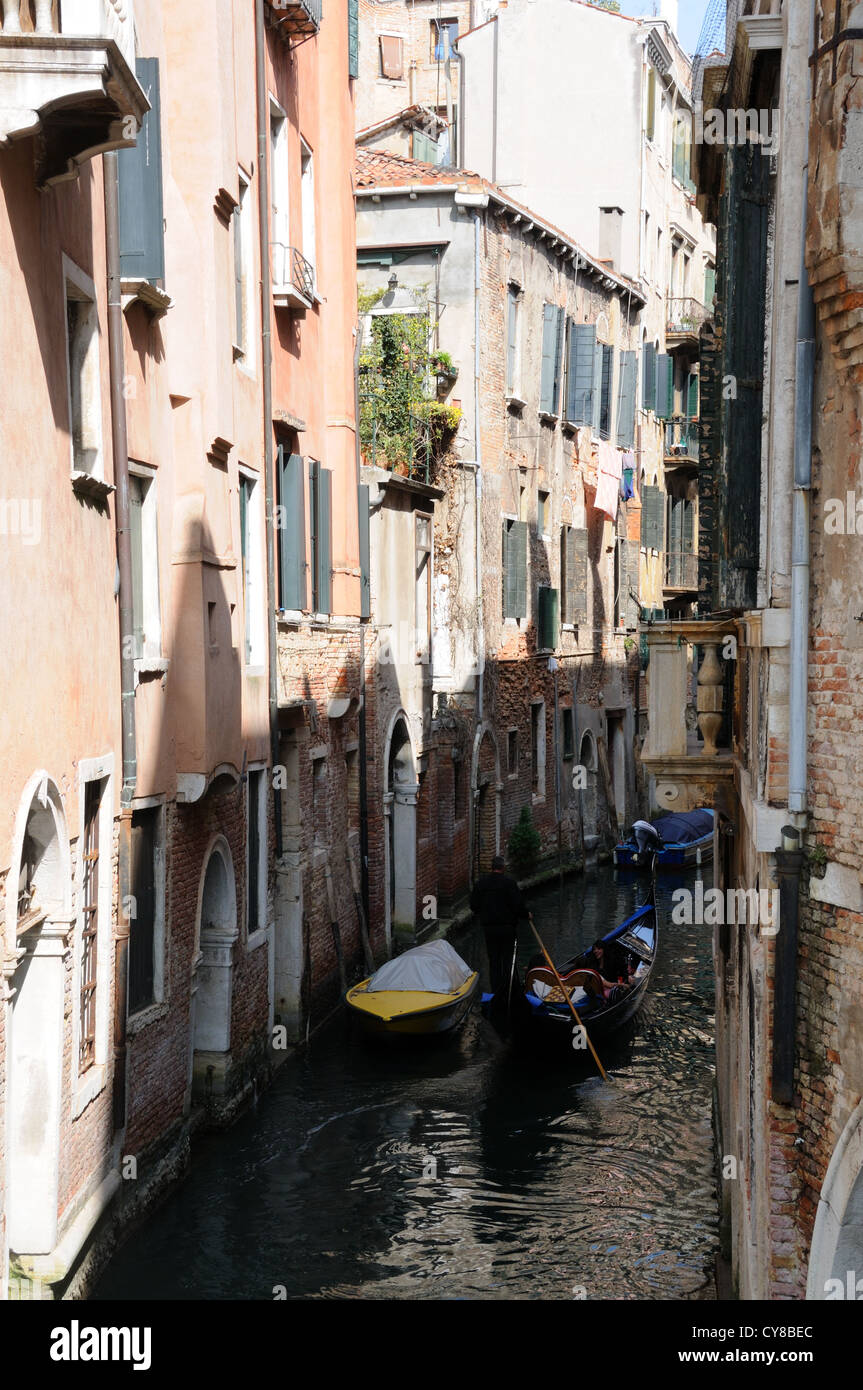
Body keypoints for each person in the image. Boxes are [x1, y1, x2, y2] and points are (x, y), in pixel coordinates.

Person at [470, 855, 529, 995]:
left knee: (494, 961)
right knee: (508, 961)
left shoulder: (481, 884)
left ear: (492, 867)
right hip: (507, 928)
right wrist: (527, 915)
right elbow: (517, 905)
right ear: (503, 868)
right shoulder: (509, 883)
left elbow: (473, 906)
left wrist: (484, 913)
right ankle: (509, 992)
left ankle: (496, 992)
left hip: (489, 929)